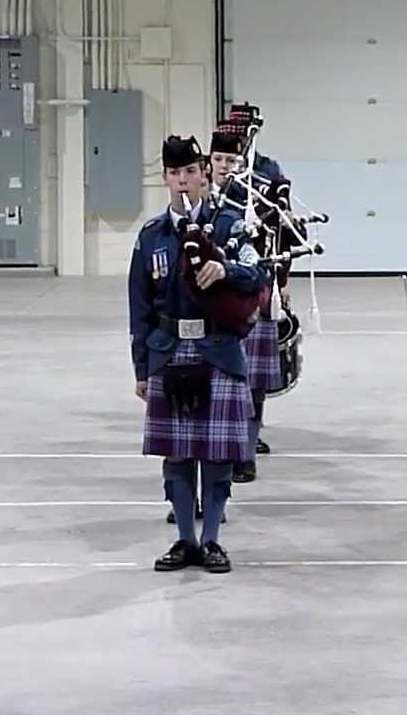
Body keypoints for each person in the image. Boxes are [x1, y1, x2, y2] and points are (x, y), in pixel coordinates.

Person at [129, 135, 266, 573]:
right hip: (168, 352)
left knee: (218, 454)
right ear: (165, 179)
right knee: (178, 455)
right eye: (175, 174)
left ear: (204, 173)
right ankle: (184, 540)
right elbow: (140, 308)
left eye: (191, 172)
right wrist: (141, 367)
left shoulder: (230, 226)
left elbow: (258, 271)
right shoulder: (151, 236)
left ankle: (212, 541)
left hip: (218, 350)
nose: (183, 181)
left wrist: (226, 268)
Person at [210, 124, 279, 485]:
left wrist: (280, 286)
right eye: (218, 159)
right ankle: (226, 450)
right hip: (213, 306)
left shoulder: (258, 197)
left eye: (231, 159)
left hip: (253, 295)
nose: (224, 166)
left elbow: (277, 242)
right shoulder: (202, 200)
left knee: (251, 383)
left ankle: (246, 454)